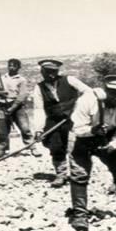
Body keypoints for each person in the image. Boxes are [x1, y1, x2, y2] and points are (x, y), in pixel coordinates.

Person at [67, 75, 116, 231]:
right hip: (82, 137)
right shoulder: (87, 100)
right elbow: (77, 127)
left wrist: (114, 145)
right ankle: (80, 215)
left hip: (111, 138)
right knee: (79, 174)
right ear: (106, 90)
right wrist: (92, 130)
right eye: (113, 92)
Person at [33, 59, 90, 187]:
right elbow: (39, 109)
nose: (51, 75)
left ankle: (78, 174)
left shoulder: (69, 80)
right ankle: (61, 174)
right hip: (54, 121)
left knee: (74, 146)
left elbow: (88, 92)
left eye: (53, 71)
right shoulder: (39, 87)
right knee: (56, 146)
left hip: (74, 119)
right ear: (42, 72)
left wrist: (78, 106)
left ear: (58, 71)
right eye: (47, 72)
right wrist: (38, 129)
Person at [0, 58, 40, 158]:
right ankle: (2, 150)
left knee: (25, 128)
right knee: (3, 130)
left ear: (18, 67)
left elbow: (22, 95)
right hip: (3, 106)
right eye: (10, 65)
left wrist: (13, 108)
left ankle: (32, 148)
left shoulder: (21, 80)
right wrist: (0, 93)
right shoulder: (2, 78)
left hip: (17, 106)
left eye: (14, 66)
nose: (12, 67)